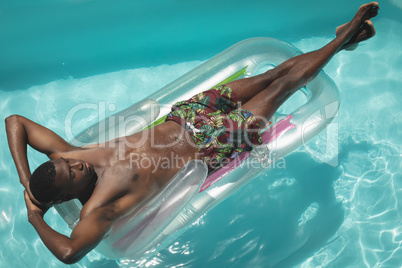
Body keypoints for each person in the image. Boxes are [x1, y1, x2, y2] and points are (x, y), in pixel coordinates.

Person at [5, 2, 379, 264]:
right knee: (279, 90)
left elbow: (15, 122)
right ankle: (343, 37)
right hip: (213, 144)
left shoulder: (72, 155)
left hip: (190, 114)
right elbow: (70, 253)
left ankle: (342, 40)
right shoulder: (100, 209)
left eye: (69, 164)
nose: (76, 166)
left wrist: (25, 181)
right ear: (66, 195)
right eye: (73, 175)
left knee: (269, 76)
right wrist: (36, 217)